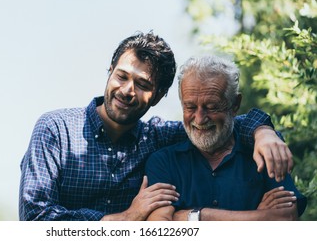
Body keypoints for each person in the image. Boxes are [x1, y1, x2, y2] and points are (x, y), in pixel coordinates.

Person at [19, 32, 293, 221]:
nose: (127, 90)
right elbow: (35, 219)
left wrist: (263, 132)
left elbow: (217, 121)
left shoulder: (156, 137)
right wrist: (125, 219)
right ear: (110, 71)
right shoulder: (56, 129)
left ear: (159, 96)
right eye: (122, 76)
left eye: (142, 85)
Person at [146, 55, 307, 221]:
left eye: (212, 107)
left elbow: (285, 220)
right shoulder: (164, 161)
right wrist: (258, 218)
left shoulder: (265, 149)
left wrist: (192, 217)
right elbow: (160, 230)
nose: (200, 119)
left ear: (235, 105)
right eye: (190, 107)